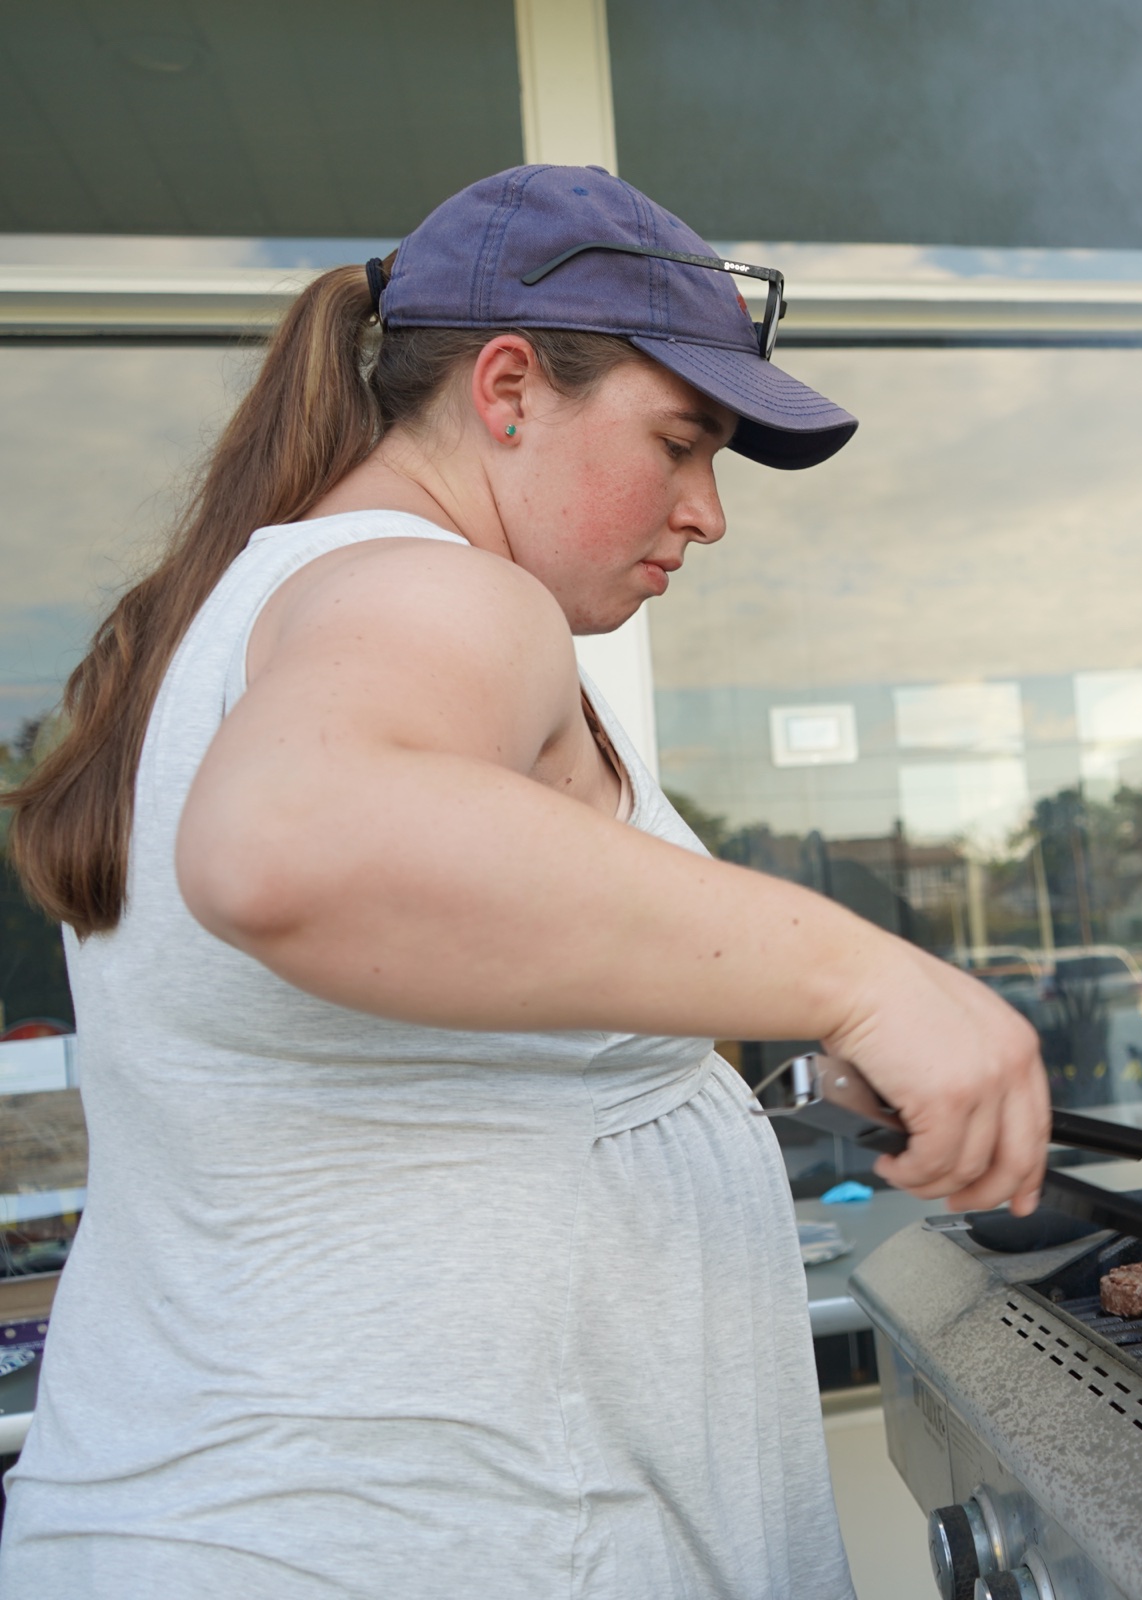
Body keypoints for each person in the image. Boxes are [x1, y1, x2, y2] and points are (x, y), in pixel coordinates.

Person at [0, 165, 1048, 1598]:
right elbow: (289, 845)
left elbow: (417, 1080)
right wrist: (864, 976)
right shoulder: (433, 589)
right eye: (680, 442)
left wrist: (747, 1093)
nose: (708, 511)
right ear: (506, 390)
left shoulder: (256, 608)